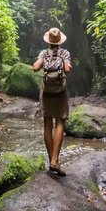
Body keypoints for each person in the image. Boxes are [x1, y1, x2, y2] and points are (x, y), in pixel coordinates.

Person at [33, 27, 72, 176]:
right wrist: (63, 62)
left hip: (47, 92)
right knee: (60, 122)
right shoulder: (64, 53)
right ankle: (55, 161)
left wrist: (42, 63)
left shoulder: (43, 53)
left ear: (48, 41)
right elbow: (67, 69)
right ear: (59, 41)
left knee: (47, 124)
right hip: (60, 92)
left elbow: (35, 67)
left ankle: (53, 161)